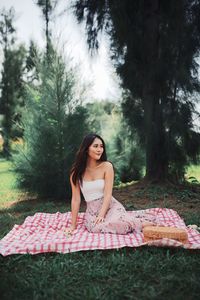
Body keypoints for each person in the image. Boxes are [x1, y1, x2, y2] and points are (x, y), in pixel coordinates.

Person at [66, 133, 156, 236]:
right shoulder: (76, 172)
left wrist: (101, 215)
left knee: (117, 222)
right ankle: (134, 223)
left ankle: (142, 224)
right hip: (91, 210)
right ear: (86, 149)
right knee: (95, 228)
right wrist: (73, 226)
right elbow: (76, 199)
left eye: (101, 146)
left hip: (110, 206)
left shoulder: (107, 166)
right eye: (95, 146)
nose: (99, 149)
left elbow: (108, 194)